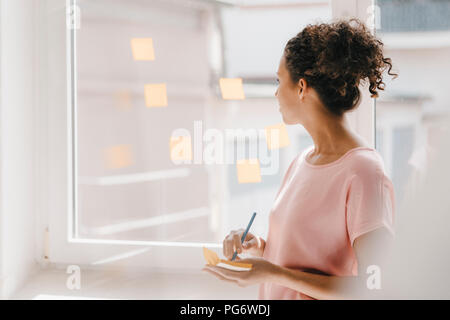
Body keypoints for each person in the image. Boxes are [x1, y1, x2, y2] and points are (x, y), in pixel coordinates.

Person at [202, 18, 398, 300]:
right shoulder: (301, 162)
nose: (276, 92)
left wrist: (272, 272)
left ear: (302, 87)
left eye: (279, 81)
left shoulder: (365, 173)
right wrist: (258, 248)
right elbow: (303, 256)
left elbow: (375, 287)